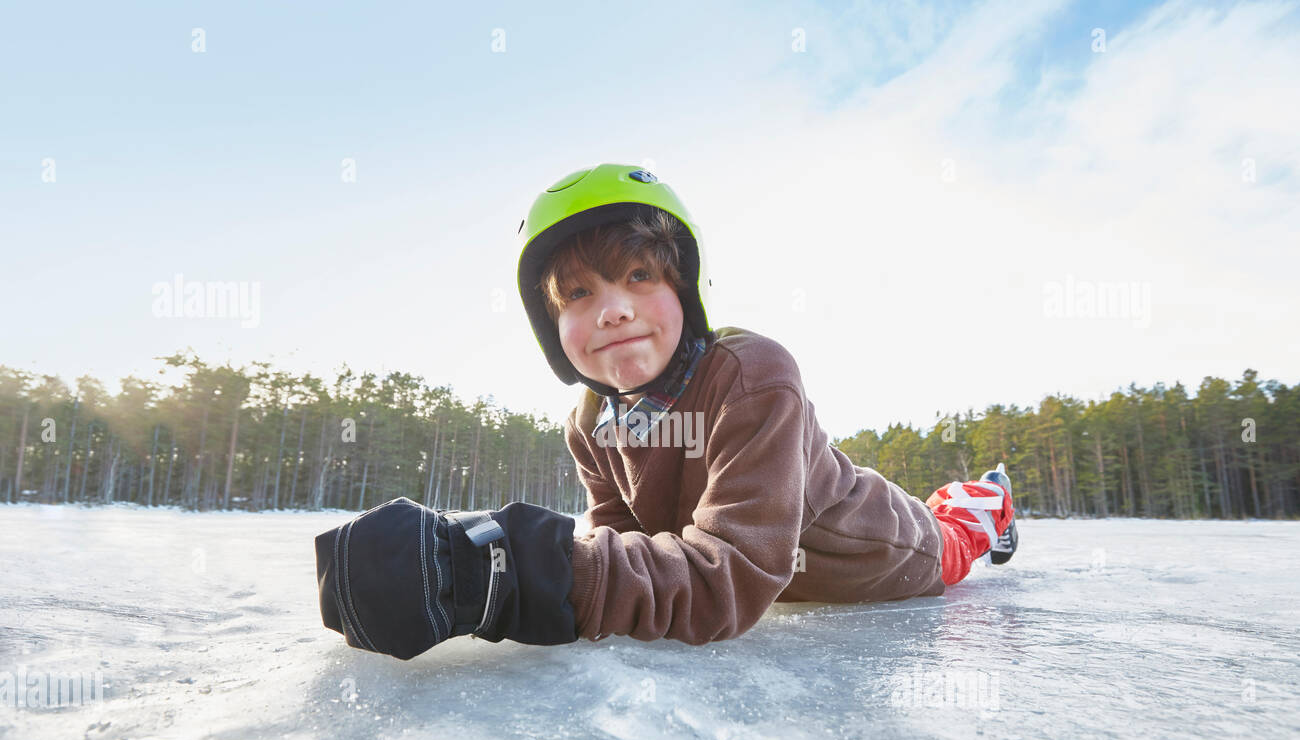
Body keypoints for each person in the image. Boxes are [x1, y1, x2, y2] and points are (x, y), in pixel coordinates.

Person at [314, 163, 1016, 659]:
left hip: (881, 554)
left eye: (639, 276)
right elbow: (625, 537)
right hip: (787, 583)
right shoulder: (590, 424)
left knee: (955, 531)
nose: (613, 308)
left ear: (687, 290)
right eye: (580, 294)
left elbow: (729, 574)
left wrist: (522, 579)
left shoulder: (753, 376)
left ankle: (988, 499)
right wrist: (497, 569)